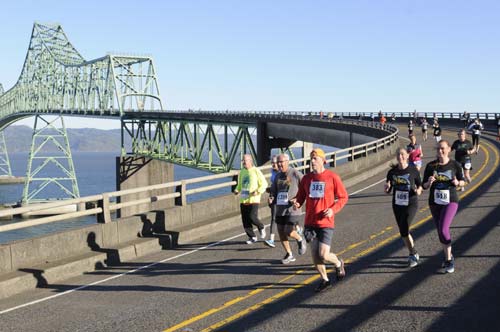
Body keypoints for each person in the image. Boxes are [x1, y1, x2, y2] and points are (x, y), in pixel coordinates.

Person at [291, 148, 349, 292]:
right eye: (311, 159)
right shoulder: (306, 178)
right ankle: (325, 280)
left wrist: (332, 210)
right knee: (315, 255)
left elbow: (343, 197)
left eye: (315, 159)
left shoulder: (332, 177)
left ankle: (338, 263)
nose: (312, 161)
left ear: (323, 160)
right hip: (310, 222)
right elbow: (301, 196)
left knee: (324, 254)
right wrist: (297, 202)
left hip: (325, 222)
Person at [422, 140, 466, 273]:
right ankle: (449, 255)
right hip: (434, 202)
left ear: (448, 150)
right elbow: (423, 186)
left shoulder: (455, 165)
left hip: (450, 201)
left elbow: (462, 181)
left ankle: (448, 260)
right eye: (438, 149)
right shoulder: (431, 166)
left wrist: (458, 182)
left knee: (443, 228)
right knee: (440, 231)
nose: (440, 151)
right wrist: (428, 183)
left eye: (443, 149)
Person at [384, 148, 423, 267]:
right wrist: (387, 188)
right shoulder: (392, 172)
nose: (400, 156)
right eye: (398, 154)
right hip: (397, 203)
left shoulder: (413, 170)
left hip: (411, 202)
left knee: (405, 227)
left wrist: (418, 191)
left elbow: (420, 186)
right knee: (403, 232)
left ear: (407, 156)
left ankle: (413, 254)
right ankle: (413, 252)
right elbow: (388, 189)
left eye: (402, 154)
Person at [269, 154, 306, 263]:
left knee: (288, 231)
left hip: (293, 209)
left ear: (287, 162)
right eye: (278, 162)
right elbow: (274, 191)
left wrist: (298, 198)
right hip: (280, 208)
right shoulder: (277, 176)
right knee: (281, 232)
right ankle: (289, 254)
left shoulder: (295, 173)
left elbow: (305, 185)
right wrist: (271, 198)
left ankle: (300, 239)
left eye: (281, 162)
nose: (279, 164)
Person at [234, 154, 268, 244]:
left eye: (245, 160)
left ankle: (261, 226)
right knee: (245, 220)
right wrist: (237, 190)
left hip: (254, 199)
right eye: (243, 161)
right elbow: (240, 185)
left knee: (252, 217)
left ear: (250, 161)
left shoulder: (256, 171)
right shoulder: (242, 172)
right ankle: (252, 237)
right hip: (244, 198)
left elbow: (264, 184)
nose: (244, 162)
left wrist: (258, 191)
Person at [264, 156, 279, 248]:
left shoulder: (284, 173)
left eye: (275, 162)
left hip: (284, 198)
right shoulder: (272, 172)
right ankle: (271, 239)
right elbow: (273, 185)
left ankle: (297, 229)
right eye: (272, 163)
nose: (273, 164)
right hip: (275, 197)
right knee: (273, 218)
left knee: (287, 220)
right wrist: (270, 195)